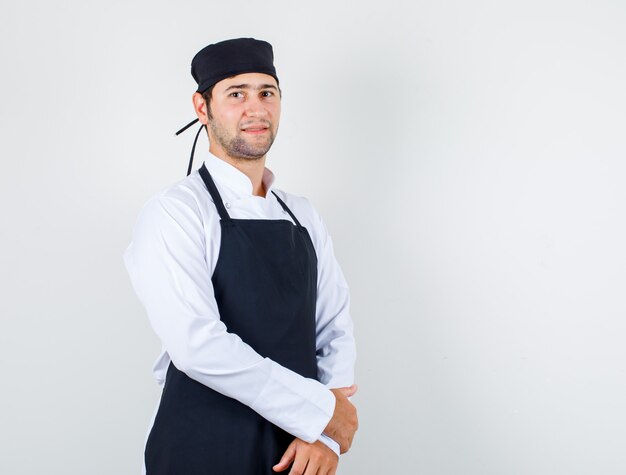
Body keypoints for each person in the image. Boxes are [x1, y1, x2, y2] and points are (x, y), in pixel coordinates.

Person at [124, 37, 358, 475]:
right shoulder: (176, 211)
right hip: (203, 446)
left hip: (297, 454)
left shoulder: (302, 213)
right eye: (236, 94)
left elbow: (334, 327)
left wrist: (324, 436)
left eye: (267, 92)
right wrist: (317, 413)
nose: (256, 109)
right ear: (202, 107)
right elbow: (197, 345)